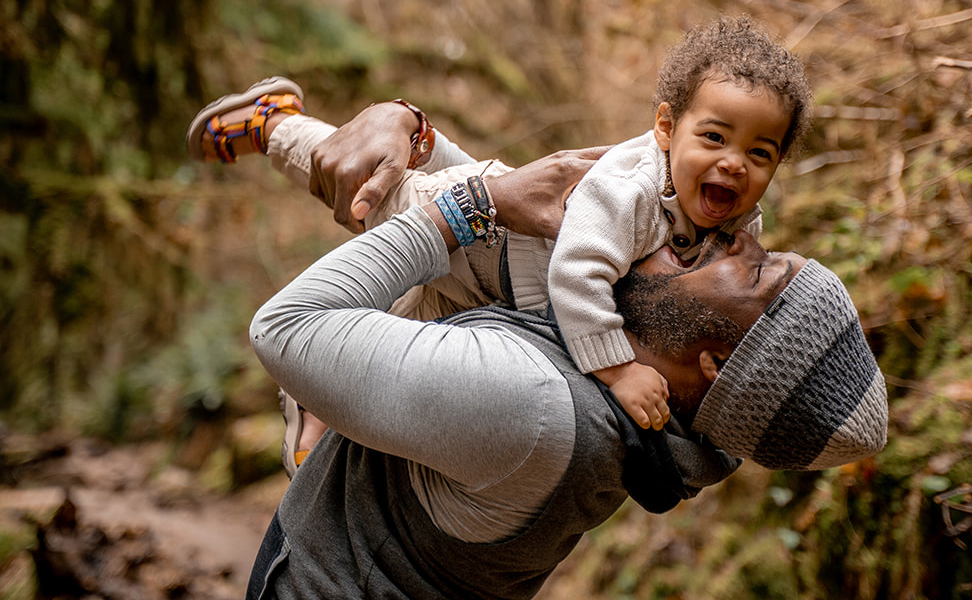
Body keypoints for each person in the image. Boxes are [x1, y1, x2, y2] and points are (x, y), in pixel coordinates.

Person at [229, 92, 889, 598]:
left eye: (757, 269)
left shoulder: (533, 409)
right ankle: (324, 418)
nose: (743, 236)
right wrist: (410, 125)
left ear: (718, 363)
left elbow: (285, 327)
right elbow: (494, 235)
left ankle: (320, 409)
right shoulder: (624, 353)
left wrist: (473, 205)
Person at [187, 16, 812, 438]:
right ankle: (275, 122)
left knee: (402, 335)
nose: (735, 162)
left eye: (761, 153)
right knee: (372, 193)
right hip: (487, 228)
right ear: (666, 129)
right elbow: (576, 275)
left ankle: (314, 401)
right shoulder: (634, 192)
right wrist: (618, 370)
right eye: (714, 137)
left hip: (498, 286)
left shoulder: (732, 217)